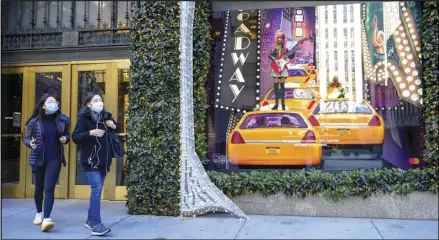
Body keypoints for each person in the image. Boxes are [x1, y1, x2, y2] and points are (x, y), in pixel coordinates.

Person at [72, 92, 119, 236]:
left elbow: (117, 128)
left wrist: (114, 125)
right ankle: (96, 224)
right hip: (90, 161)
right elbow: (75, 137)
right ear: (89, 104)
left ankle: (90, 220)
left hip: (104, 161)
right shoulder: (83, 119)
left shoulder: (106, 116)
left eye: (100, 100)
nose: (99, 102)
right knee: (97, 189)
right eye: (95, 100)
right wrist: (90, 133)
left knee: (97, 190)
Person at [23, 93, 70, 232]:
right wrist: (29, 143)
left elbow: (66, 135)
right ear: (43, 105)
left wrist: (65, 139)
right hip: (38, 157)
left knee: (49, 188)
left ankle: (47, 218)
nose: (53, 103)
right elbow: (26, 138)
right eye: (50, 101)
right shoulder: (34, 121)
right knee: (39, 187)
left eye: (55, 101)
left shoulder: (62, 120)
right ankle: (39, 212)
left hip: (54, 158)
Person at [269, 30, 307, 110]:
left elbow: (291, 56)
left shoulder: (285, 49)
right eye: (278, 38)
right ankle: (276, 104)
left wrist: (296, 47)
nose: (280, 39)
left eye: (281, 38)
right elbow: (270, 55)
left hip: (283, 69)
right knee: (276, 87)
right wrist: (275, 60)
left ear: (283, 39)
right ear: (276, 39)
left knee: (282, 87)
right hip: (276, 68)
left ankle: (282, 104)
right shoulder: (274, 48)